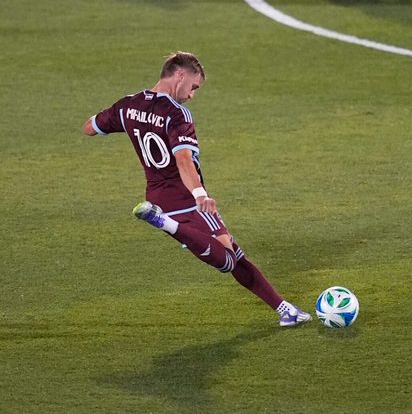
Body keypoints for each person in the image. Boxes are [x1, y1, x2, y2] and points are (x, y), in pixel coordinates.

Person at [82, 52, 312, 327]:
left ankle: (286, 310)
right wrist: (200, 195)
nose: (192, 95)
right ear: (180, 75)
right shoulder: (176, 114)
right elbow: (183, 159)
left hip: (156, 196)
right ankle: (164, 223)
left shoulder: (127, 105)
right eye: (193, 87)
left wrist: (115, 121)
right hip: (185, 200)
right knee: (227, 259)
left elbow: (89, 128)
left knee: (236, 255)